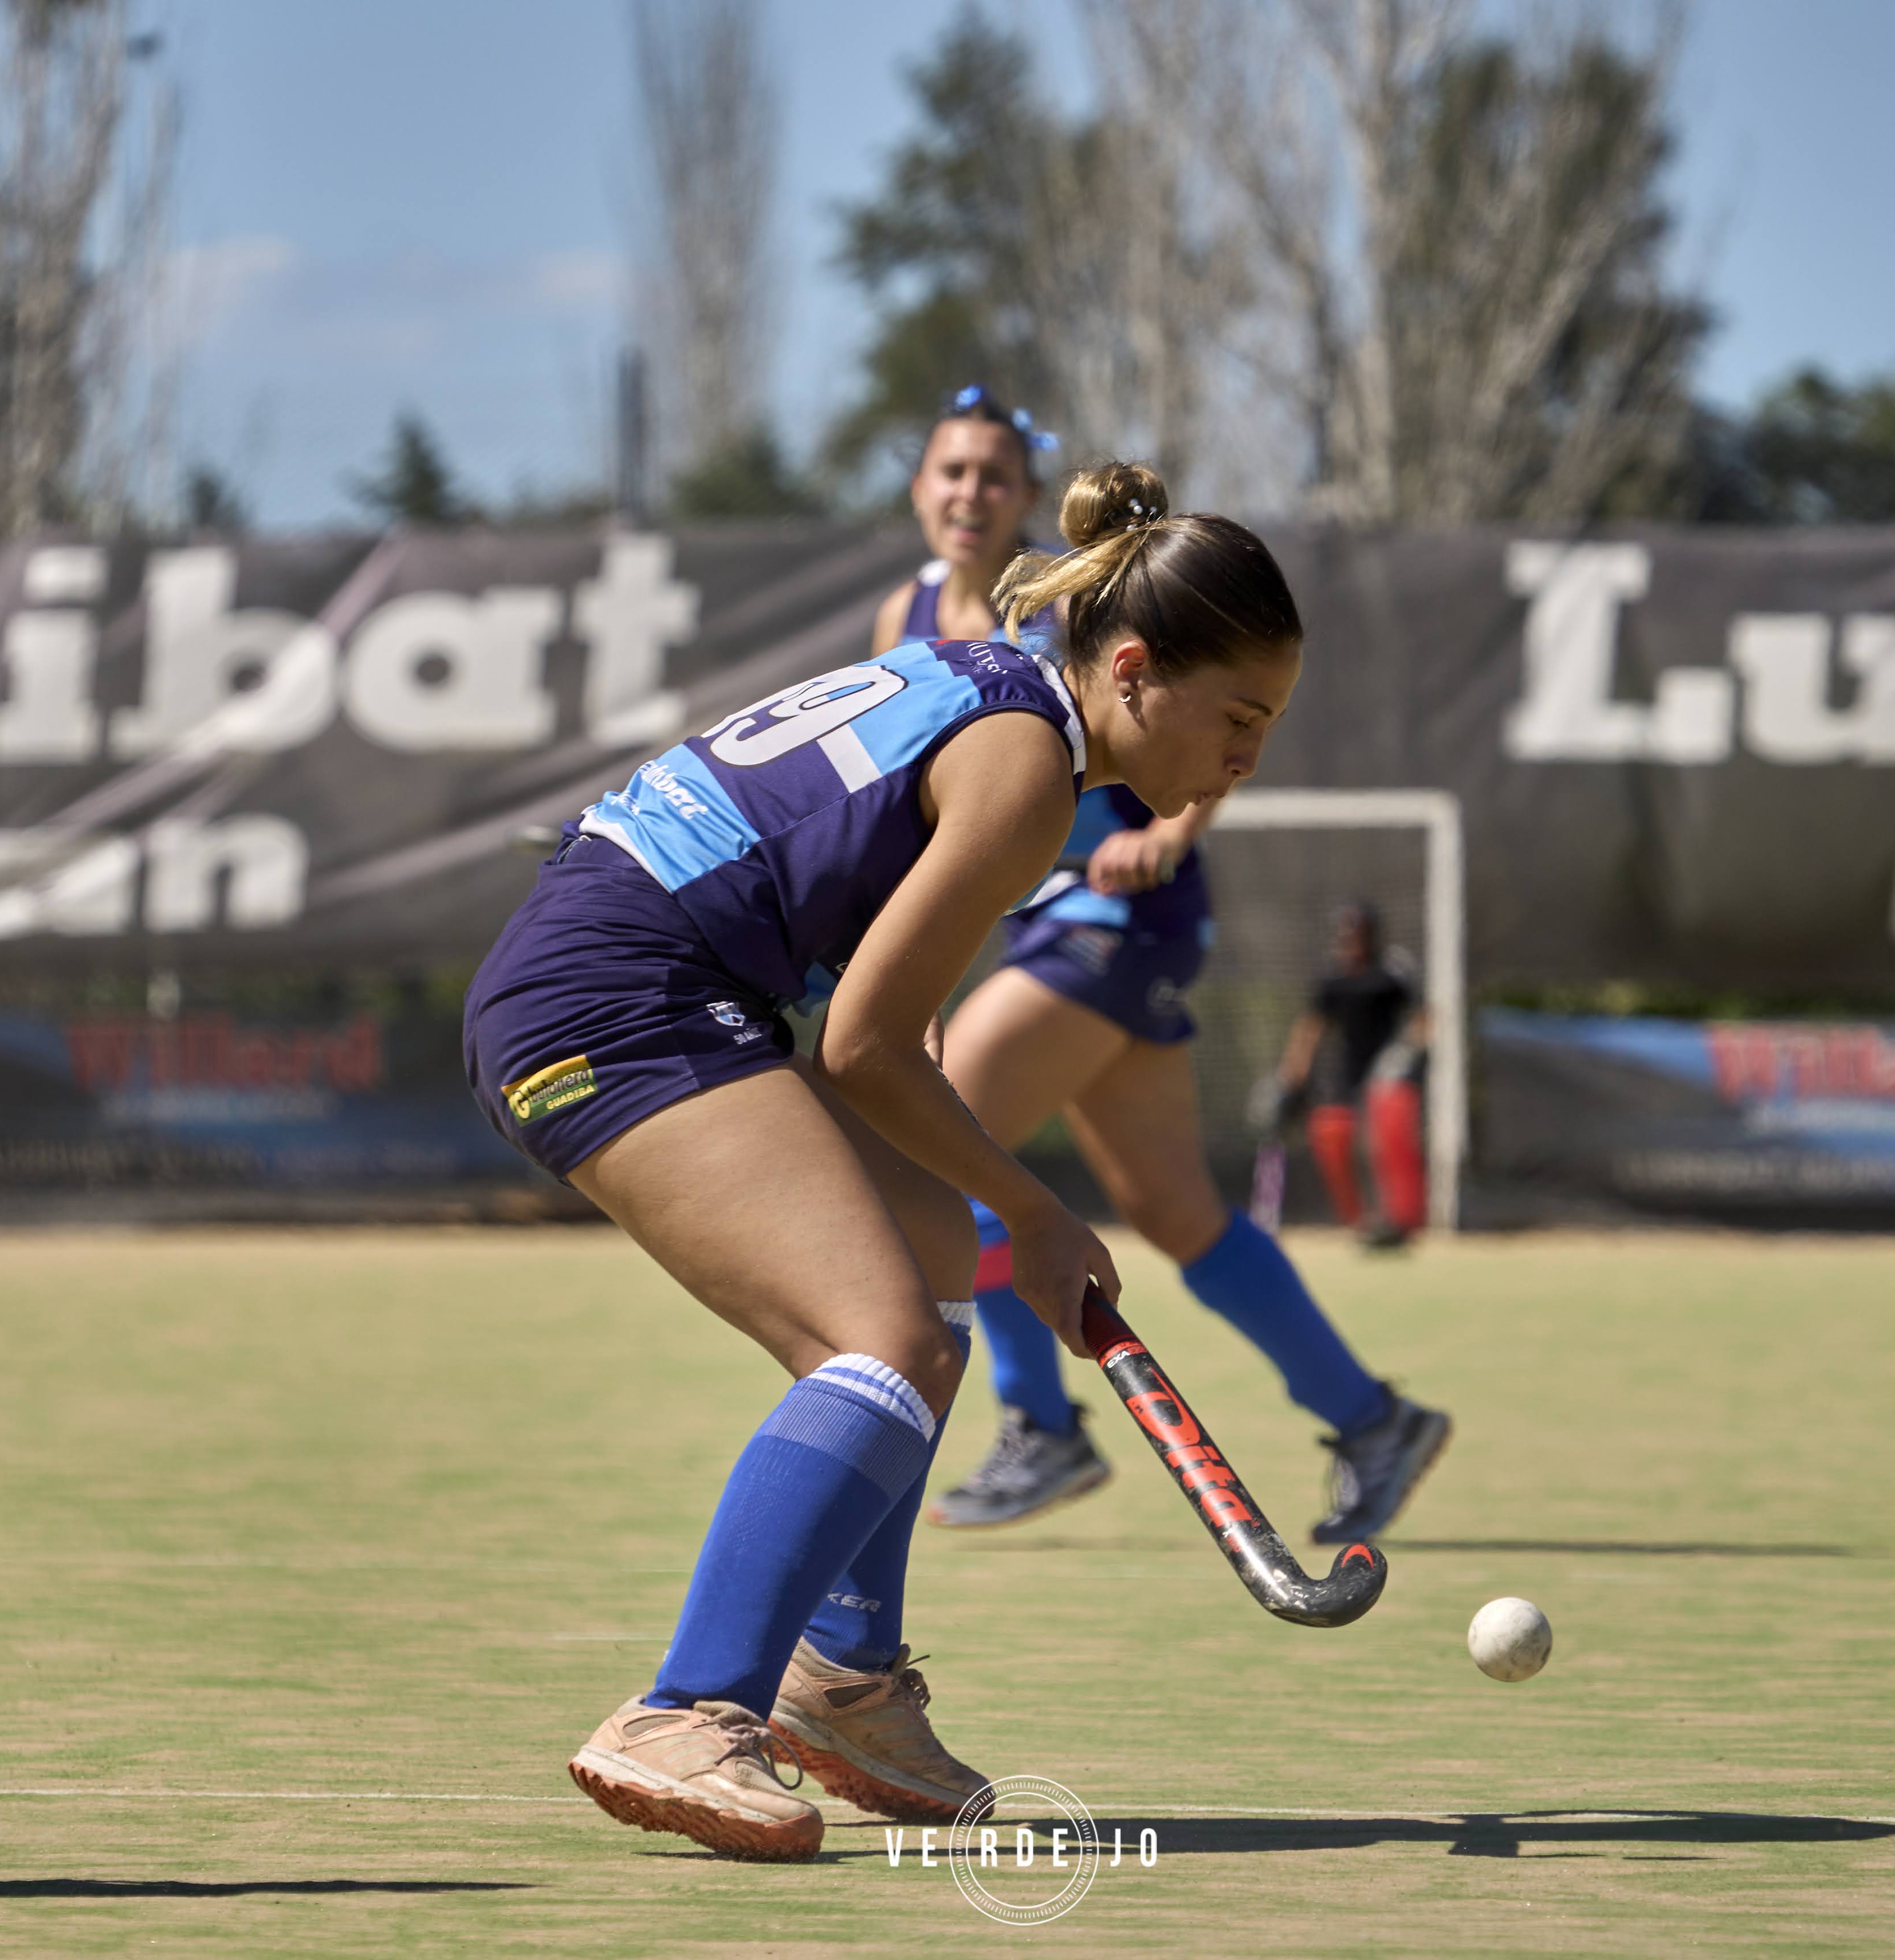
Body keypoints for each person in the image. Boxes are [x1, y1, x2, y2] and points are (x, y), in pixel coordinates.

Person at [463, 459, 1301, 1861]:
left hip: (651, 978)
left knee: (928, 1268)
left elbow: (858, 1029)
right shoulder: (1029, 768)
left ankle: (843, 1681)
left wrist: (998, 1216)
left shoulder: (992, 686)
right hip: (613, 997)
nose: (1247, 759)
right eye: (1240, 719)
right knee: (888, 1341)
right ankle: (689, 1705)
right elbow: (868, 1043)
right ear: (1138, 671)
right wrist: (1034, 1209)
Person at [869, 392, 1448, 1541]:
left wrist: (1167, 836)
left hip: (1118, 918)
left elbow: (1208, 736)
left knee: (954, 1127)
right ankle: (1372, 1419)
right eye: (949, 472)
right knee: (1175, 1212)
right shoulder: (911, 608)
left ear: (1026, 495)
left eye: (992, 475)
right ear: (920, 487)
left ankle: (1040, 1424)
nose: (968, 494)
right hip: (1039, 920)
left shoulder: (1093, 592)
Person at [1274, 902, 1430, 1247]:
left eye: (1357, 934)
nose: (1350, 941)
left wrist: (1404, 1054)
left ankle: (1404, 1220)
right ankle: (1359, 1221)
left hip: (1391, 1073)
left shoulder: (1392, 972)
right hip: (1347, 1073)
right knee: (1331, 1131)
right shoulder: (1333, 980)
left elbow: (1424, 1019)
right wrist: (1290, 1077)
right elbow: (1310, 1030)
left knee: (1390, 1133)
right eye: (1345, 934)